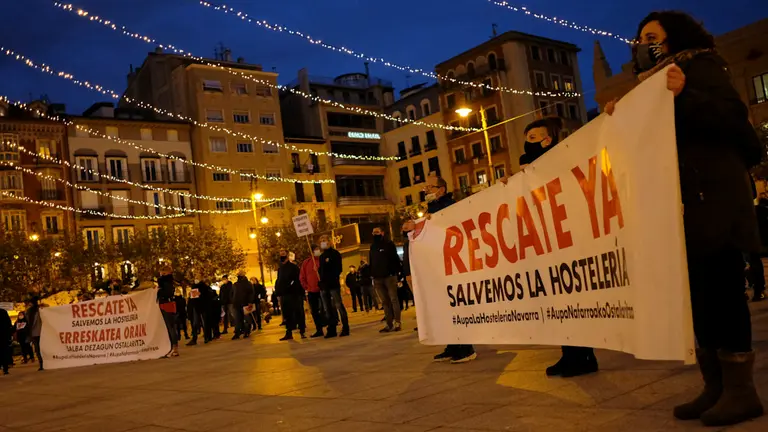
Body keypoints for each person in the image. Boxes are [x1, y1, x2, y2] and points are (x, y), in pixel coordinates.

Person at [605, 11, 765, 426]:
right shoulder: (650, 86)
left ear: (675, 38)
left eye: (652, 36)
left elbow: (737, 127)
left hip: (714, 202)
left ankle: (742, 392)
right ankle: (715, 387)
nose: (643, 43)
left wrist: (686, 93)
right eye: (640, 38)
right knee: (700, 300)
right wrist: (620, 118)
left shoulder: (702, 67)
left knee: (724, 295)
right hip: (683, 209)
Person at [504, 117, 601, 378]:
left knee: (573, 298)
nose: (528, 143)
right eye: (527, 139)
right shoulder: (530, 170)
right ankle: (569, 353)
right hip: (547, 243)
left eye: (534, 138)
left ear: (549, 140)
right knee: (559, 300)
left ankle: (585, 356)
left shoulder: (563, 160)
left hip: (569, 238)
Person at [406, 176, 476, 363]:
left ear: (442, 189)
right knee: (444, 307)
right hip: (439, 264)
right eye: (426, 187)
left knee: (457, 306)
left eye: (431, 187)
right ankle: (452, 345)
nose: (427, 190)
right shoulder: (431, 209)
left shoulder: (450, 206)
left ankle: (467, 347)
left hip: (452, 263)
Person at [370, 226, 403, 332]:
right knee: (384, 302)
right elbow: (372, 261)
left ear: (382, 233)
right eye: (374, 232)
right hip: (378, 278)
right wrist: (373, 275)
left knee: (393, 299)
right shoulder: (372, 247)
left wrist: (397, 274)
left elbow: (395, 259)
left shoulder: (389, 244)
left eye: (377, 232)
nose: (376, 234)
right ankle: (389, 324)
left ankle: (397, 322)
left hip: (389, 277)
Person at [318, 234, 350, 338]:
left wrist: (330, 276)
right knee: (327, 309)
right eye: (321, 240)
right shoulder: (322, 256)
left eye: (325, 240)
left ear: (329, 241)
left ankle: (345, 327)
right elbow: (321, 271)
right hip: (324, 286)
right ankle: (331, 329)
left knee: (338, 305)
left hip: (333, 285)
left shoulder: (335, 254)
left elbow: (338, 269)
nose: (323, 242)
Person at [276, 249, 307, 340]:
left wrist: (293, 287)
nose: (281, 255)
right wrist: (278, 292)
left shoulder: (294, 267)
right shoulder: (280, 269)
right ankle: (288, 332)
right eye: (280, 253)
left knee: (298, 312)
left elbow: (297, 280)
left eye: (283, 253)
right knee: (287, 314)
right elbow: (279, 281)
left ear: (287, 255)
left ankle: (302, 331)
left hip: (294, 294)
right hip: (284, 295)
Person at [301, 245, 326, 338]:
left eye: (318, 249)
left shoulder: (322, 260)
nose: (317, 251)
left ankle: (330, 325)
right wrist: (306, 286)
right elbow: (302, 276)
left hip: (322, 289)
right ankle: (319, 329)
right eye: (315, 250)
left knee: (325, 308)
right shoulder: (306, 263)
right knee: (314, 311)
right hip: (312, 290)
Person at [748, 196, 768, 301]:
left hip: (754, 241)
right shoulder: (763, 211)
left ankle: (758, 290)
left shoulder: (755, 210)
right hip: (761, 241)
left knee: (754, 263)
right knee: (755, 264)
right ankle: (759, 290)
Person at [157, 266, 179, 357]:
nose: (161, 274)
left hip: (167, 305)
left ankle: (174, 348)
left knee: (170, 327)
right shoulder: (167, 282)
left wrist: (159, 292)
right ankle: (171, 347)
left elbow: (167, 293)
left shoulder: (166, 282)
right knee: (169, 327)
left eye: (163, 272)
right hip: (167, 304)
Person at [231, 272, 254, 339]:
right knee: (237, 319)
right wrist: (233, 300)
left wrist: (250, 302)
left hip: (245, 304)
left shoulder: (248, 284)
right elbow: (232, 293)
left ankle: (247, 331)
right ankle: (238, 332)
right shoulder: (235, 284)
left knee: (247, 319)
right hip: (236, 304)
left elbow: (251, 293)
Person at [25, 296, 44, 370]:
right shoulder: (29, 312)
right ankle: (41, 363)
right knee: (38, 349)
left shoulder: (39, 310)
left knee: (41, 349)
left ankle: (43, 363)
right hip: (34, 333)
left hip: (40, 332)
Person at [1, 307, 11, 375]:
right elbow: (8, 323)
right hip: (4, 336)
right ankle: (5, 369)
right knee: (4, 352)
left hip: (3, 335)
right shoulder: (3, 312)